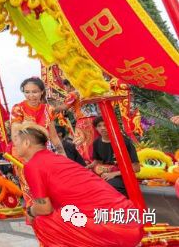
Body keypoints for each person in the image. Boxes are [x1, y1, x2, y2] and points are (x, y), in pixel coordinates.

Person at [13, 122, 143, 247]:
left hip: (117, 230)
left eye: (16, 142)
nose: (14, 147)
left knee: (42, 221)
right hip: (131, 221)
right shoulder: (57, 159)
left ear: (26, 143)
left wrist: (30, 212)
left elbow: (44, 208)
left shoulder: (33, 165)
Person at [10, 77, 65, 156]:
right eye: (27, 92)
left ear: (42, 92)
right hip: (24, 154)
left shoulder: (48, 109)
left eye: (35, 92)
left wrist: (62, 154)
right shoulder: (18, 109)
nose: (31, 96)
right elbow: (15, 135)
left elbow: (54, 137)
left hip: (43, 153)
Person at [88, 116, 140, 198]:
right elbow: (98, 161)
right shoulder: (96, 143)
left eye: (105, 125)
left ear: (111, 125)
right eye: (99, 126)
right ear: (96, 128)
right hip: (105, 174)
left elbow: (136, 168)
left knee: (107, 187)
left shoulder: (124, 142)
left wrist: (114, 174)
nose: (102, 128)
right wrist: (85, 167)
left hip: (122, 176)